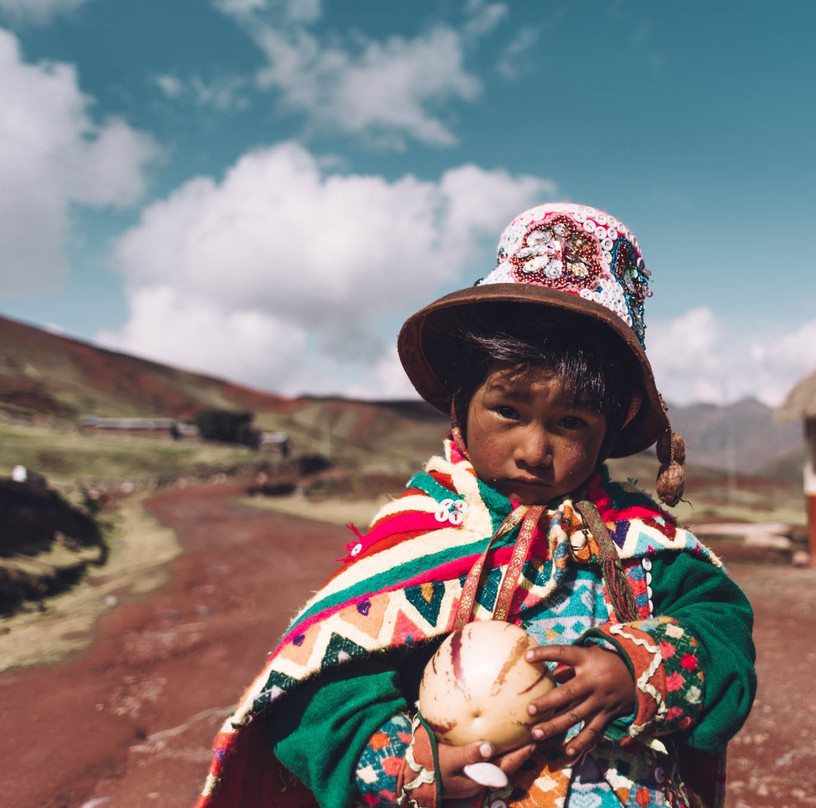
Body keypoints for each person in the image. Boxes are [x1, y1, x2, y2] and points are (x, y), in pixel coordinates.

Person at [195, 202, 756, 808]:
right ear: (460, 401)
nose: (535, 450)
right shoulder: (414, 538)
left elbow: (723, 634)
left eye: (571, 421)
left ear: (613, 423)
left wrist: (634, 669)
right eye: (508, 411)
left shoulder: (644, 546)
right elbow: (320, 694)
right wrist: (410, 765)